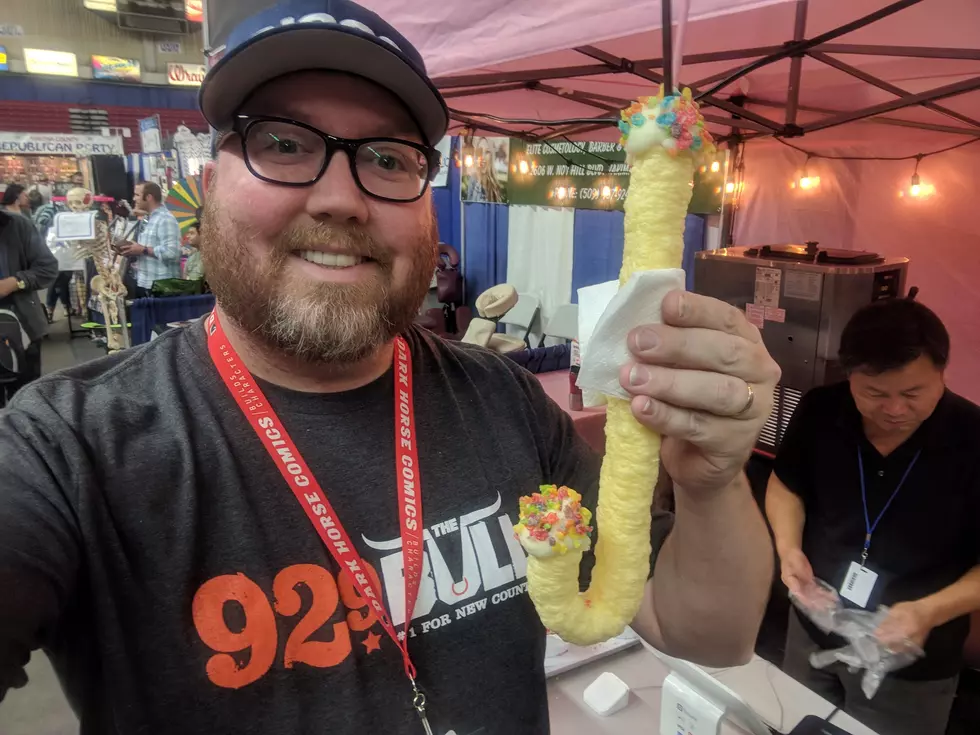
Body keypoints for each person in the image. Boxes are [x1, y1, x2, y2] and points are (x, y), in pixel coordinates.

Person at [0, 2, 778, 732]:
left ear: (426, 202)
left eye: (387, 157)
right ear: (208, 189)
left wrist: (712, 480)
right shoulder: (67, 450)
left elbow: (701, 629)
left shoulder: (499, 397)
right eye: (283, 143)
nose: (340, 197)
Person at [766, 298, 980, 735]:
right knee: (791, 724)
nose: (896, 409)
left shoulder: (973, 439)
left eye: (913, 393)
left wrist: (930, 611)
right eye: (876, 394)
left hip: (911, 655)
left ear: (942, 372)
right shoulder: (821, 411)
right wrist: (788, 549)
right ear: (851, 377)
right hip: (813, 626)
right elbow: (786, 485)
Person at [0, 206, 57, 397]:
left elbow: (47, 268)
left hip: (21, 328)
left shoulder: (17, 225)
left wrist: (16, 282)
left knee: (25, 400)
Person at [115, 180, 181, 296]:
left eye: (137, 195)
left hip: (162, 287)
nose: (134, 199)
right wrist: (132, 250)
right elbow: (148, 248)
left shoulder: (165, 219)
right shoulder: (150, 219)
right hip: (146, 283)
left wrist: (143, 249)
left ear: (149, 197)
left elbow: (172, 253)